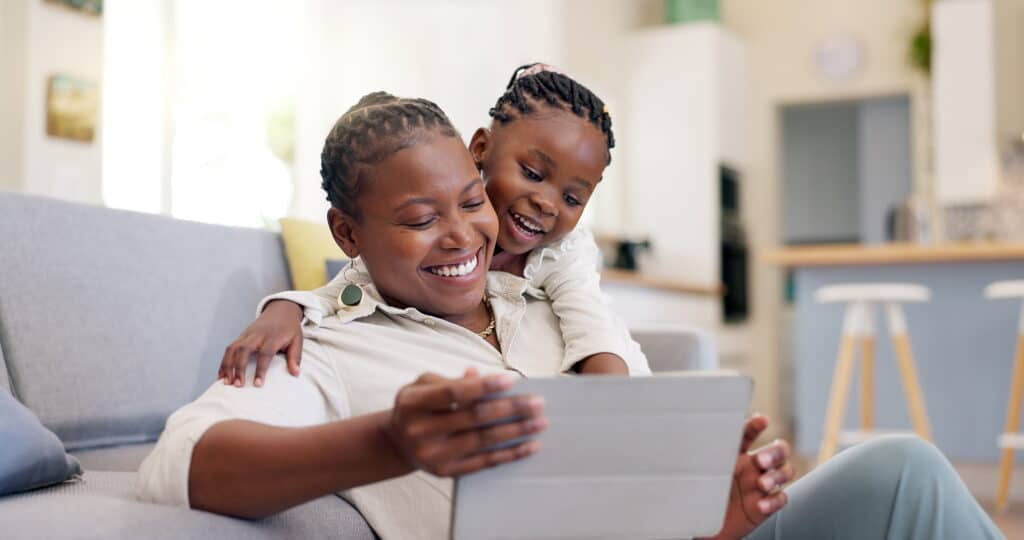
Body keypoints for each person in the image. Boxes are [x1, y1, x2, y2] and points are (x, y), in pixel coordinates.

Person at [137, 92, 1004, 540]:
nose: (463, 235)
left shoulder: (547, 293)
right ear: (346, 233)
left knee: (905, 467)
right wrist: (392, 442)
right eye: (418, 219)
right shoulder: (322, 349)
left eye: (472, 201)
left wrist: (717, 502)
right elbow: (179, 464)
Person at [217, 64, 642, 388]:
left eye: (573, 198)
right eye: (532, 173)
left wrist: (614, 413)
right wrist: (284, 309)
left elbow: (591, 325)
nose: (547, 204)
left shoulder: (565, 253)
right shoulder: (424, 253)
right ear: (480, 149)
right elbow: (348, 287)